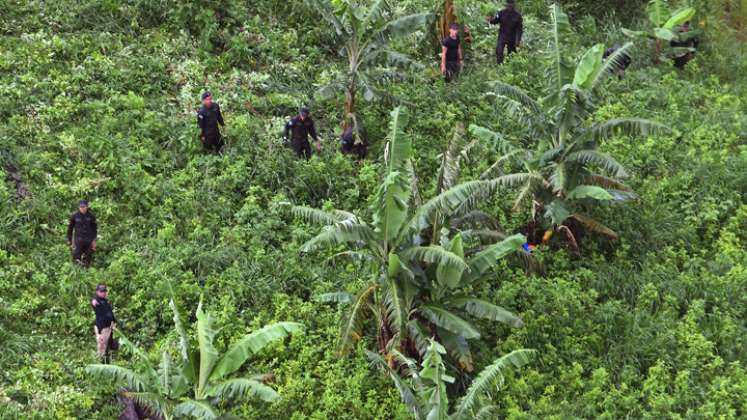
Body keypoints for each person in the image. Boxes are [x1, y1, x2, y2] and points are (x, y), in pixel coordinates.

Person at [487, 0, 523, 65]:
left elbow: (519, 29)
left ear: (514, 6)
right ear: (506, 5)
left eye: (511, 6)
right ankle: (499, 66)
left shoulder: (518, 16)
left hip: (512, 36)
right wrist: (490, 20)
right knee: (499, 51)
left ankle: (509, 67)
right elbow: (495, 21)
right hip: (502, 35)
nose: (509, 7)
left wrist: (517, 40)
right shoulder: (501, 13)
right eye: (508, 5)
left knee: (511, 54)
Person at [67, 200, 97, 267]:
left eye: (84, 207)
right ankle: (77, 273)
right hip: (78, 240)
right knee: (76, 258)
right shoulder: (74, 216)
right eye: (81, 207)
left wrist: (94, 241)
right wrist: (69, 240)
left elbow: (94, 230)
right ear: (79, 207)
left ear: (87, 207)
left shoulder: (91, 216)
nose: (82, 208)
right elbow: (70, 229)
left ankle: (86, 273)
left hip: (88, 240)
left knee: (87, 259)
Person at [91, 284, 116, 362]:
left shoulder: (106, 301)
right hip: (102, 327)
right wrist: (93, 300)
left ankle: (108, 361)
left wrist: (114, 321)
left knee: (109, 345)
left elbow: (109, 312)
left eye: (104, 291)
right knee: (102, 347)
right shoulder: (96, 301)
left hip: (109, 326)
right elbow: (94, 302)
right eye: (101, 291)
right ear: (97, 292)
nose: (104, 293)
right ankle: (100, 364)